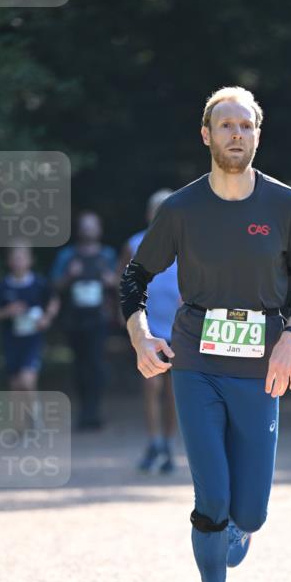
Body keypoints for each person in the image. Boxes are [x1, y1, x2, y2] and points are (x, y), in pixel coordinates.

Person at [120, 86, 291, 582]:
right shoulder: (181, 209)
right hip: (196, 360)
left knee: (249, 510)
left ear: (259, 134)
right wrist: (140, 336)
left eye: (246, 126)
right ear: (206, 135)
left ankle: (238, 527)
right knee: (212, 500)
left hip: (262, 362)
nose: (237, 135)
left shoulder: (287, 205)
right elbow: (135, 279)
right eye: (225, 125)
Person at [118, 189, 180, 473]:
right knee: (151, 383)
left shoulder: (187, 244)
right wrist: (127, 319)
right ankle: (154, 440)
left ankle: (168, 443)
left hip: (180, 329)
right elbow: (124, 282)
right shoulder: (134, 244)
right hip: (149, 328)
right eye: (156, 210)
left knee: (173, 391)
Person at [50, 211, 118, 430]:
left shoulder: (107, 255)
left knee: (96, 364)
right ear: (78, 229)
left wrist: (111, 281)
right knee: (79, 365)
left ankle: (94, 411)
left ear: (99, 229)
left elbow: (123, 283)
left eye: (93, 225)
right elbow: (54, 286)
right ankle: (83, 411)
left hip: (99, 319)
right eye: (84, 226)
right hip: (74, 320)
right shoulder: (67, 256)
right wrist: (69, 276)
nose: (88, 230)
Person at [0, 243, 60, 428]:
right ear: (9, 261)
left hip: (32, 340)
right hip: (11, 341)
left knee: (27, 379)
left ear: (30, 260)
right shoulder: (3, 287)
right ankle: (19, 424)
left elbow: (53, 301)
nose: (19, 262)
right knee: (15, 384)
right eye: (15, 258)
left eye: (22, 257)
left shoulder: (39, 283)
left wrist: (46, 318)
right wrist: (7, 311)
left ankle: (36, 418)